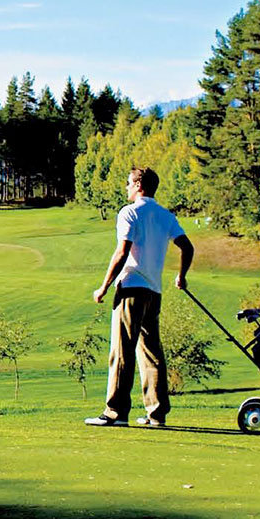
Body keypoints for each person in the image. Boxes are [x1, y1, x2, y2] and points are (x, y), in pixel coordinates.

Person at [87, 167, 194, 428]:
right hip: (153, 291)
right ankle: (156, 414)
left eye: (128, 184)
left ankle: (115, 413)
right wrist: (181, 276)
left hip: (131, 287)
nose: (126, 188)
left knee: (121, 351)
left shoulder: (129, 212)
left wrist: (103, 287)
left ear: (138, 185)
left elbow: (122, 252)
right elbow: (187, 247)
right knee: (151, 353)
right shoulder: (165, 215)